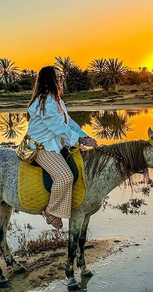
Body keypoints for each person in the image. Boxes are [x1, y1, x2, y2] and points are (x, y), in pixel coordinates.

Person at [26, 66, 98, 229]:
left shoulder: (57, 100)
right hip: (42, 147)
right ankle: (50, 211)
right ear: (49, 80)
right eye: (58, 77)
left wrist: (84, 136)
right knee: (65, 177)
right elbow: (58, 128)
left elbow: (69, 122)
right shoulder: (46, 102)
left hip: (55, 144)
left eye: (62, 76)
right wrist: (79, 140)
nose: (61, 80)